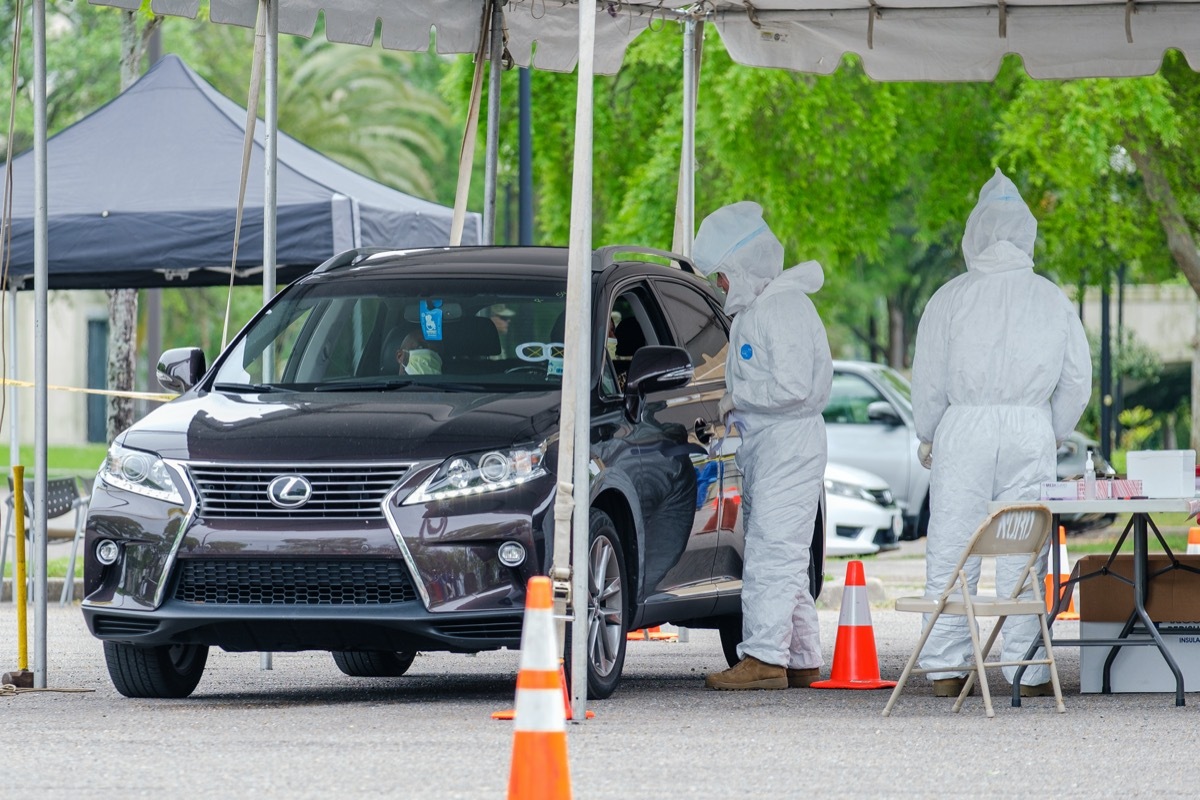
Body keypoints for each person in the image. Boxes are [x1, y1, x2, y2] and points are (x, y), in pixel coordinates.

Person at [911, 168, 1091, 698]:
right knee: (1024, 549)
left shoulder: (950, 297)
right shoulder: (1050, 298)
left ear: (975, 232)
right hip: (1028, 428)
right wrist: (1049, 430)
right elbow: (1076, 381)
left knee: (952, 547)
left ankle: (947, 669)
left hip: (963, 427)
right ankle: (1026, 671)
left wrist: (929, 434)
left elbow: (929, 377)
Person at [692, 201, 834, 691]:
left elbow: (791, 387)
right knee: (785, 555)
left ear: (744, 266)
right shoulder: (763, 310)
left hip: (788, 443)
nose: (721, 287)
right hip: (772, 444)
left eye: (724, 277)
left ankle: (763, 659)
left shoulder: (782, 309)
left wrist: (737, 397)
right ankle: (800, 657)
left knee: (773, 553)